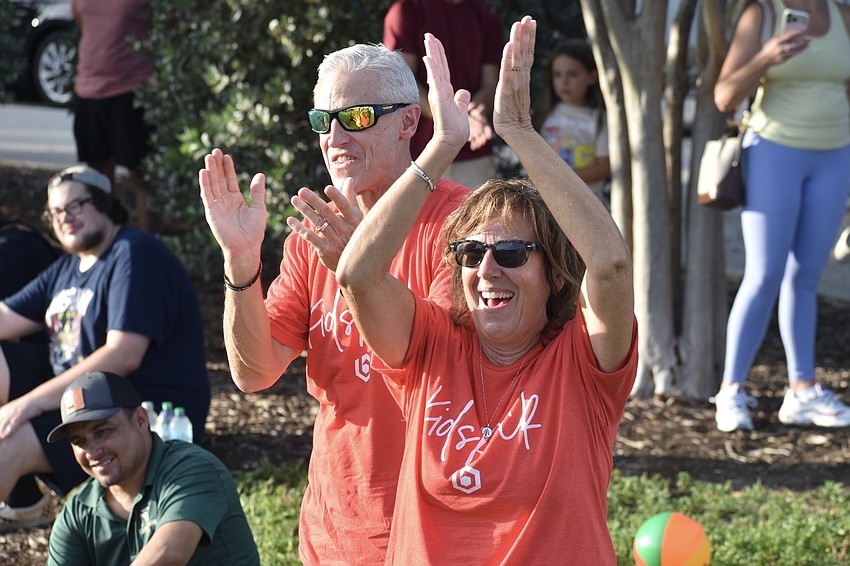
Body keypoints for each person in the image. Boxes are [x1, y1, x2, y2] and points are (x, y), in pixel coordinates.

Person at [337, 17, 637, 563]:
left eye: (514, 253)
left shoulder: (583, 362)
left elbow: (612, 265)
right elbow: (358, 274)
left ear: (555, 274)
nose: (488, 268)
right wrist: (441, 146)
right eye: (471, 254)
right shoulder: (430, 345)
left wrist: (519, 131)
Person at [197, 43, 471, 563]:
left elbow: (420, 362)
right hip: (335, 534)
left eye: (356, 117)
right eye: (324, 119)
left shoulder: (462, 226)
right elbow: (254, 372)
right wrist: (239, 259)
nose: (335, 138)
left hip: (435, 532)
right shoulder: (311, 238)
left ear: (409, 122)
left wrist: (357, 267)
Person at [0, 165, 210, 531]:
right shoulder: (68, 266)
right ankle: (24, 504)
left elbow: (123, 355)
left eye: (75, 206)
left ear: (104, 203)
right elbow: (4, 319)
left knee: (7, 443)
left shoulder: (134, 254)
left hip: (141, 410)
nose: (65, 218)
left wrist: (26, 403)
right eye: (56, 212)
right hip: (81, 400)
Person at [711, 0, 850, 432]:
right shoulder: (762, 13)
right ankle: (730, 391)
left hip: (836, 155)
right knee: (764, 274)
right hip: (774, 152)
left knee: (806, 274)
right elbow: (724, 95)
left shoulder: (843, 13)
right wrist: (768, 56)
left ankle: (802, 390)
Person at [45, 371, 259, 565]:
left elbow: (170, 553)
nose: (92, 451)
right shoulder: (78, 513)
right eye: (79, 441)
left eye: (102, 431)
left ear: (140, 420)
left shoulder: (192, 469)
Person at [383, 0, 503, 189]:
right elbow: (401, 80)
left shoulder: (487, 20)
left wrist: (468, 113)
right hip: (418, 155)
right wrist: (453, 116)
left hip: (473, 154)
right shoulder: (407, 11)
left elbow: (490, 85)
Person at [71, 0, 155, 231]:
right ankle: (110, 245)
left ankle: (147, 251)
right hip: (87, 90)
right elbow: (82, 24)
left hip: (131, 90)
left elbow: (169, 25)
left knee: (142, 177)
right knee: (98, 180)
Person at [533, 39, 610, 203]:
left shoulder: (600, 118)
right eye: (557, 75)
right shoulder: (545, 114)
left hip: (588, 204)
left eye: (572, 74)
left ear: (592, 76)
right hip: (547, 202)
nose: (564, 82)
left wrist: (563, 177)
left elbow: (605, 166)